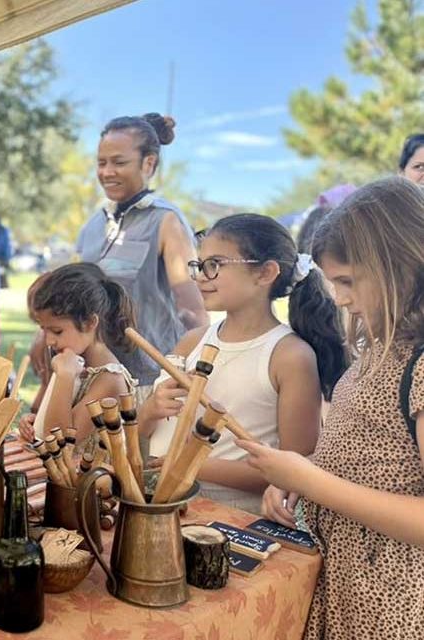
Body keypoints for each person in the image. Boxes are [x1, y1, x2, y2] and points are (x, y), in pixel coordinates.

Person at [239, 177, 424, 638]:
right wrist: (298, 482)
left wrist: (311, 480)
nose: (340, 298)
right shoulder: (383, 349)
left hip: (390, 598)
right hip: (345, 582)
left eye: (348, 281)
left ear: (401, 266)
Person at [140, 214, 347, 513]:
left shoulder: (289, 356)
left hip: (236, 522)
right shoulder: (190, 343)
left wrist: (186, 465)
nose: (199, 277)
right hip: (164, 508)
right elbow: (142, 437)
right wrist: (150, 411)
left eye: (214, 265)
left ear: (265, 273)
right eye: (198, 265)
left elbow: (296, 470)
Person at [74, 113, 207, 397]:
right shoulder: (93, 226)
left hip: (148, 385)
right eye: (101, 162)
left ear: (149, 163)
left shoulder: (166, 222)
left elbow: (194, 312)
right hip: (93, 382)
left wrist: (189, 377)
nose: (107, 172)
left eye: (119, 162)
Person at [17, 263, 137, 447]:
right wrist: (36, 421)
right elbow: (57, 421)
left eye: (57, 331)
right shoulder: (74, 360)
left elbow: (59, 443)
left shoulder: (110, 380)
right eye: (44, 330)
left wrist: (64, 377)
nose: (49, 341)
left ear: (90, 323)